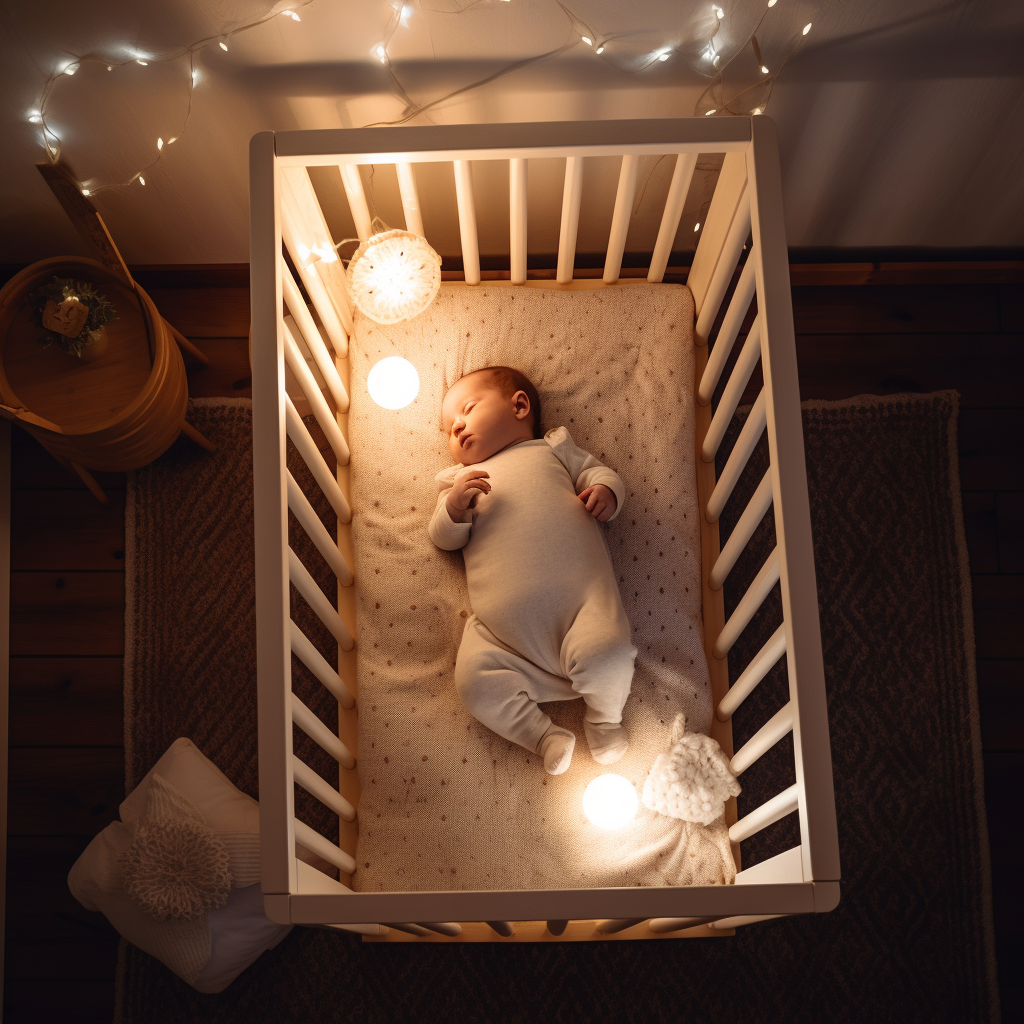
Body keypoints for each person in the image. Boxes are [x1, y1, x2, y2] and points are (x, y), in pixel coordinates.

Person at [428, 366, 636, 775]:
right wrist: (454, 508)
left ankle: (604, 718)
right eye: (449, 429)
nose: (457, 427)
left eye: (467, 410)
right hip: (503, 641)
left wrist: (606, 491)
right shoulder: (459, 482)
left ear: (519, 405)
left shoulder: (553, 448)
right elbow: (443, 538)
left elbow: (600, 472)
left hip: (582, 612)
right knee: (475, 683)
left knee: (609, 654)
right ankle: (544, 736)